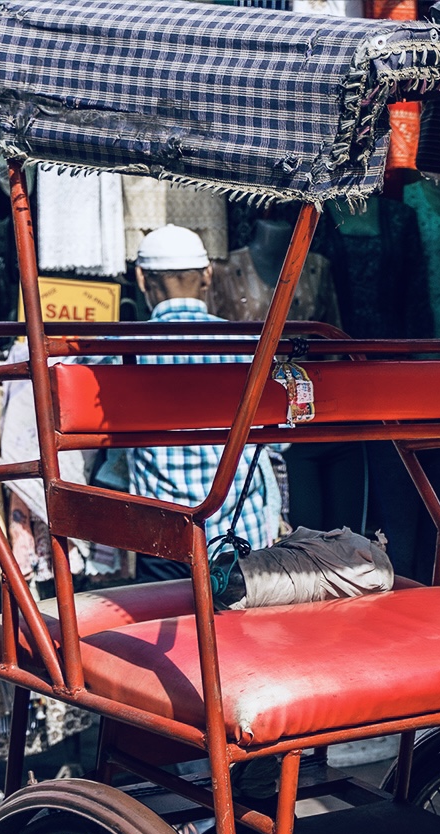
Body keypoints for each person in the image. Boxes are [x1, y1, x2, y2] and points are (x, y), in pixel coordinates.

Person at [124, 224, 279, 585]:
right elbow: (277, 439)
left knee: (166, 621)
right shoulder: (249, 345)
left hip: (163, 537)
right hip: (241, 533)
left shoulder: (121, 347)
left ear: (142, 279)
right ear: (208, 275)